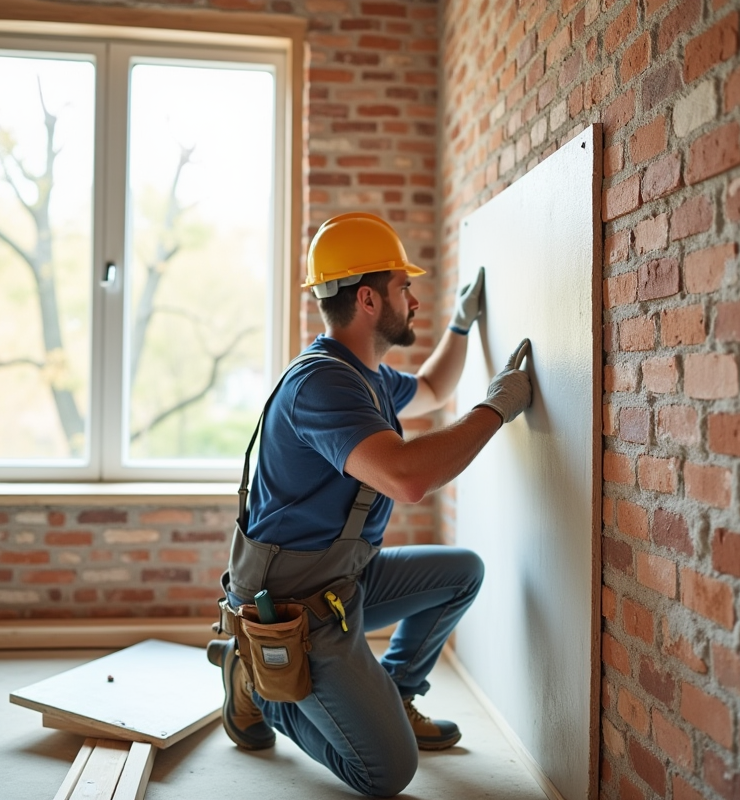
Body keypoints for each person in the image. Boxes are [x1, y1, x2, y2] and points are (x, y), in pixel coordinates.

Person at [207, 212, 532, 798]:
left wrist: (462, 327)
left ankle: (397, 692)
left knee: (462, 573)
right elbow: (406, 478)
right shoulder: (323, 384)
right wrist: (496, 410)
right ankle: (258, 682)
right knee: (387, 773)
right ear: (367, 299)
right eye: (404, 289)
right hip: (296, 605)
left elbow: (432, 391)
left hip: (343, 578)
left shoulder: (367, 376)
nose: (414, 301)